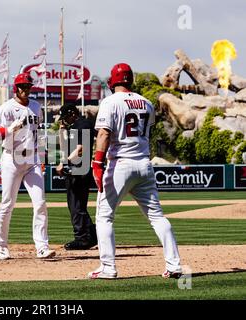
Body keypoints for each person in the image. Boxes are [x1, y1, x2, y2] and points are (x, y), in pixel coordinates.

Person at [88, 63, 182, 279]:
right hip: (144, 164)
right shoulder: (147, 103)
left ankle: (108, 268)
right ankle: (174, 265)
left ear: (113, 81)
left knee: (104, 217)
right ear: (131, 80)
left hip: (120, 164)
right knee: (157, 216)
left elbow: (103, 134)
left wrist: (96, 164)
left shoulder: (110, 102)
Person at [0, 72, 55, 260]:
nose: (26, 90)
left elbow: (38, 133)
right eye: (23, 86)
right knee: (7, 204)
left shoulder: (36, 106)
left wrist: (41, 155)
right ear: (16, 88)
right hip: (12, 158)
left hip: (32, 159)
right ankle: (1, 245)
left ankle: (42, 247)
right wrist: (11, 129)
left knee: (40, 203)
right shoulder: (6, 108)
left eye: (28, 86)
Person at [56, 104, 97, 250]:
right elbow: (64, 148)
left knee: (76, 206)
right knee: (77, 205)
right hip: (76, 169)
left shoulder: (82, 124)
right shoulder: (74, 127)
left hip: (80, 169)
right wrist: (62, 130)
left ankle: (83, 238)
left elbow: (81, 149)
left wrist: (64, 162)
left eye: (65, 117)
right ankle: (92, 234)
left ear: (72, 113)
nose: (64, 120)